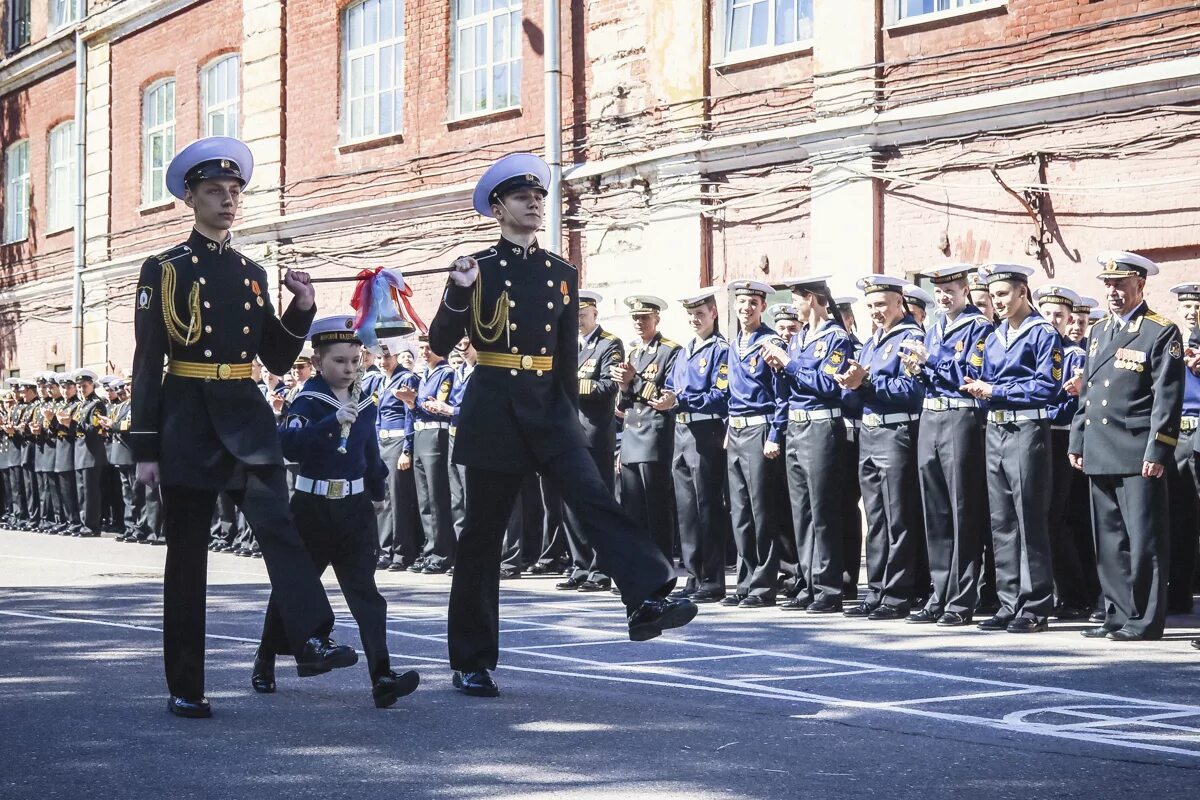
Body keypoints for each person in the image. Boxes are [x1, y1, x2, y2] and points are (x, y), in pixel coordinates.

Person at [428, 152, 696, 697]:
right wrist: (458, 292)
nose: (534, 203)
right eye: (523, 197)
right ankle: (471, 659)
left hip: (549, 407)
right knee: (482, 537)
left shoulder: (561, 273)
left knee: (594, 496)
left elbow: (566, 357)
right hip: (496, 405)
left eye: (539, 196)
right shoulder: (476, 267)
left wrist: (570, 418)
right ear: (498, 207)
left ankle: (646, 596)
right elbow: (437, 343)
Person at [130, 136, 358, 718]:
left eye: (234, 192)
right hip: (186, 418)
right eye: (215, 191)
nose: (228, 200)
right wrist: (145, 446)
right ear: (190, 197)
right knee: (187, 558)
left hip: (245, 415)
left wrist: (302, 306)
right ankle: (186, 683)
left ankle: (311, 637)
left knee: (280, 529)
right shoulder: (163, 269)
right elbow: (146, 362)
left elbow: (278, 359)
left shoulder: (252, 272)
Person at [254, 315, 420, 708]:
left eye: (354, 360)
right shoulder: (309, 400)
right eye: (339, 362)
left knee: (366, 595)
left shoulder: (364, 398)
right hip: (312, 509)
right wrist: (330, 423)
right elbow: (289, 445)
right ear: (318, 362)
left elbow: (368, 453)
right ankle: (264, 660)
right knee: (295, 590)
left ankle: (382, 677)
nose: (348, 369)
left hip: (354, 509)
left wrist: (377, 489)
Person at [1070, 252, 1184, 642]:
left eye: (1121, 284)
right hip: (1100, 446)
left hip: (1137, 449)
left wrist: (1158, 450)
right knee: (1109, 539)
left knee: (1144, 540)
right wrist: (1077, 437)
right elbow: (1088, 391)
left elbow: (1166, 397)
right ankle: (1117, 612)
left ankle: (1145, 619)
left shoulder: (1159, 330)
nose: (1113, 292)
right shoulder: (1099, 330)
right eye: (1108, 284)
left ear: (1140, 285)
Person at [964, 263, 1058, 634]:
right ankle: (1008, 602)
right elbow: (981, 375)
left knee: (1028, 518)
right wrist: (979, 387)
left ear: (1023, 292)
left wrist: (997, 391)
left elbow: (1046, 386)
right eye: (993, 296)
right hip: (996, 430)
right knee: (1001, 520)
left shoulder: (1042, 333)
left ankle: (1035, 605)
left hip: (1026, 429)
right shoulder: (993, 336)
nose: (997, 302)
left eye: (1003, 294)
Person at [905, 265, 993, 627]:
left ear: (965, 292)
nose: (944, 297)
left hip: (960, 417)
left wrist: (932, 360)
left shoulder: (979, 327)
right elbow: (933, 374)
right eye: (939, 291)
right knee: (936, 511)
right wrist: (917, 368)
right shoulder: (934, 326)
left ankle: (961, 597)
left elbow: (970, 376)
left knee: (961, 510)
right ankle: (939, 592)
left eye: (951, 291)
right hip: (931, 415)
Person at [762, 275, 854, 613]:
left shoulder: (836, 338)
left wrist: (788, 363)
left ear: (813, 299)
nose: (795, 306)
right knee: (800, 511)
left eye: (799, 299)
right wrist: (779, 368)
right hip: (797, 427)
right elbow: (788, 390)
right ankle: (806, 582)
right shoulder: (799, 339)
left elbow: (830, 385)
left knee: (823, 510)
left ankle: (828, 587)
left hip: (821, 425)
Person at [837, 275, 925, 620]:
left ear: (899, 303)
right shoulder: (872, 341)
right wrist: (852, 385)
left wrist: (868, 382)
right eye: (871, 305)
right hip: (870, 433)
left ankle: (898, 593)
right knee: (875, 519)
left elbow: (913, 391)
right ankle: (876, 590)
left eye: (882, 304)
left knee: (898, 517)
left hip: (896, 432)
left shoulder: (911, 337)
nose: (875, 311)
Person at [720, 279, 790, 609]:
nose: (746, 308)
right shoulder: (735, 344)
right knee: (740, 513)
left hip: (760, 431)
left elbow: (781, 396)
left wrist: (775, 435)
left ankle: (763, 585)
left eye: (752, 302)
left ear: (762, 307)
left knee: (763, 512)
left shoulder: (770, 342)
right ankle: (745, 580)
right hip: (735, 432)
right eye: (741, 302)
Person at [663, 289, 730, 603]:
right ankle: (692, 575)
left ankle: (713, 579)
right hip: (681, 430)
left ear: (713, 313)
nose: (695, 320)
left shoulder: (721, 350)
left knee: (708, 506)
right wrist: (664, 398)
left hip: (707, 431)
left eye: (700, 314)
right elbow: (670, 385)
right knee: (686, 510)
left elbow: (720, 393)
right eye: (691, 315)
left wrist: (682, 399)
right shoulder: (683, 350)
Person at [1033, 285, 1095, 621]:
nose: (1054, 320)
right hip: (1035, 435)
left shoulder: (1074, 355)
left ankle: (1075, 594)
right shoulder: (1035, 347)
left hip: (1061, 437)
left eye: (1060, 315)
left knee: (1056, 518)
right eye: (1048, 313)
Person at [556, 289, 624, 591]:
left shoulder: (609, 344)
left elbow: (609, 386)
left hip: (595, 432)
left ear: (595, 313)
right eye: (574, 317)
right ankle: (579, 565)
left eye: (582, 315)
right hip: (568, 433)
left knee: (597, 501)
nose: (578, 321)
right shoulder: (568, 346)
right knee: (570, 503)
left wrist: (571, 385)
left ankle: (601, 567)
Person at [614, 295, 682, 560]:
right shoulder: (633, 353)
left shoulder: (669, 351)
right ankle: (639, 564)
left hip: (654, 435)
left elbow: (665, 396)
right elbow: (624, 404)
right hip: (632, 435)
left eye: (644, 317)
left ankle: (662, 563)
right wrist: (623, 387)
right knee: (632, 509)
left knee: (657, 508)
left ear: (657, 318)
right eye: (635, 318)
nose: (639, 322)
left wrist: (635, 381)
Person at [410, 335, 457, 573]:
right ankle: (430, 550)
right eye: (421, 348)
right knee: (424, 499)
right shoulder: (425, 375)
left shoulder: (446, 372)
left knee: (437, 497)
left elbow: (436, 405)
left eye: (429, 347)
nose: (425, 352)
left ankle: (442, 553)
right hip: (420, 434)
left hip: (435, 435)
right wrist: (414, 403)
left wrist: (414, 401)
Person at [1169, 282, 1200, 616]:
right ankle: (1178, 593)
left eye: (1197, 307)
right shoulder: (1171, 342)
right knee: (1178, 518)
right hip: (1180, 436)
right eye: (1187, 307)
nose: (1192, 313)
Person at [73, 369, 107, 537]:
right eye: (79, 387)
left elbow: (95, 429)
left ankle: (92, 526)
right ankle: (83, 522)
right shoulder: (82, 403)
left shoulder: (96, 404)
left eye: (84, 386)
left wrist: (73, 423)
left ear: (92, 385)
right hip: (80, 452)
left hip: (91, 452)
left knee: (90, 492)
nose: (81, 389)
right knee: (81, 491)